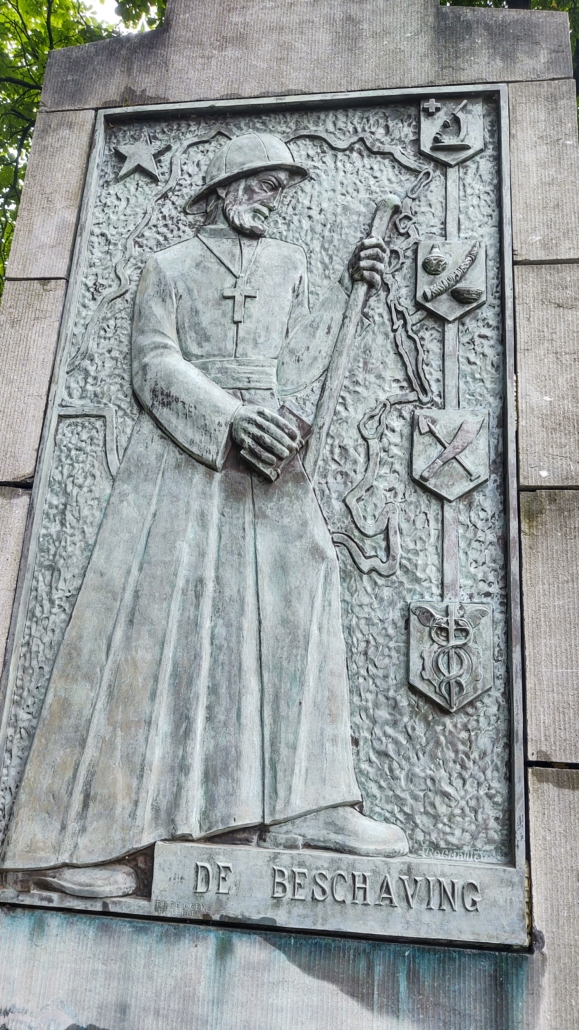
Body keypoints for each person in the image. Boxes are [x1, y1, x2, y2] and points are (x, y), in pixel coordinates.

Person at [1, 132, 408, 898]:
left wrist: (351, 291)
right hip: (186, 459)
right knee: (154, 631)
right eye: (258, 185)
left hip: (270, 458)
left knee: (303, 592)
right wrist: (226, 420)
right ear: (222, 190)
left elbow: (296, 361)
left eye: (278, 189)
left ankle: (305, 803)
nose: (269, 200)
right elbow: (152, 363)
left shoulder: (289, 265)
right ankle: (91, 837)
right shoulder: (169, 268)